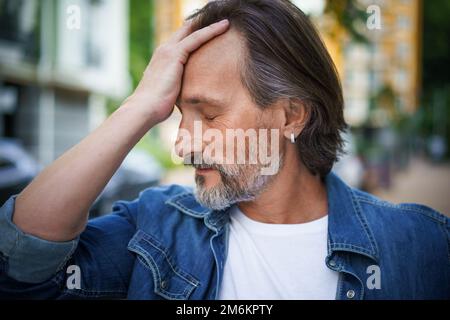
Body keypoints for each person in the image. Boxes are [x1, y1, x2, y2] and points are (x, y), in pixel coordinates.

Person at [0, 0, 449, 300]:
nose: (182, 144)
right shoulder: (155, 228)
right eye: (178, 115)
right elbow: (23, 267)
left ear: (292, 116)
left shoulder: (422, 247)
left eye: (209, 115)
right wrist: (138, 106)